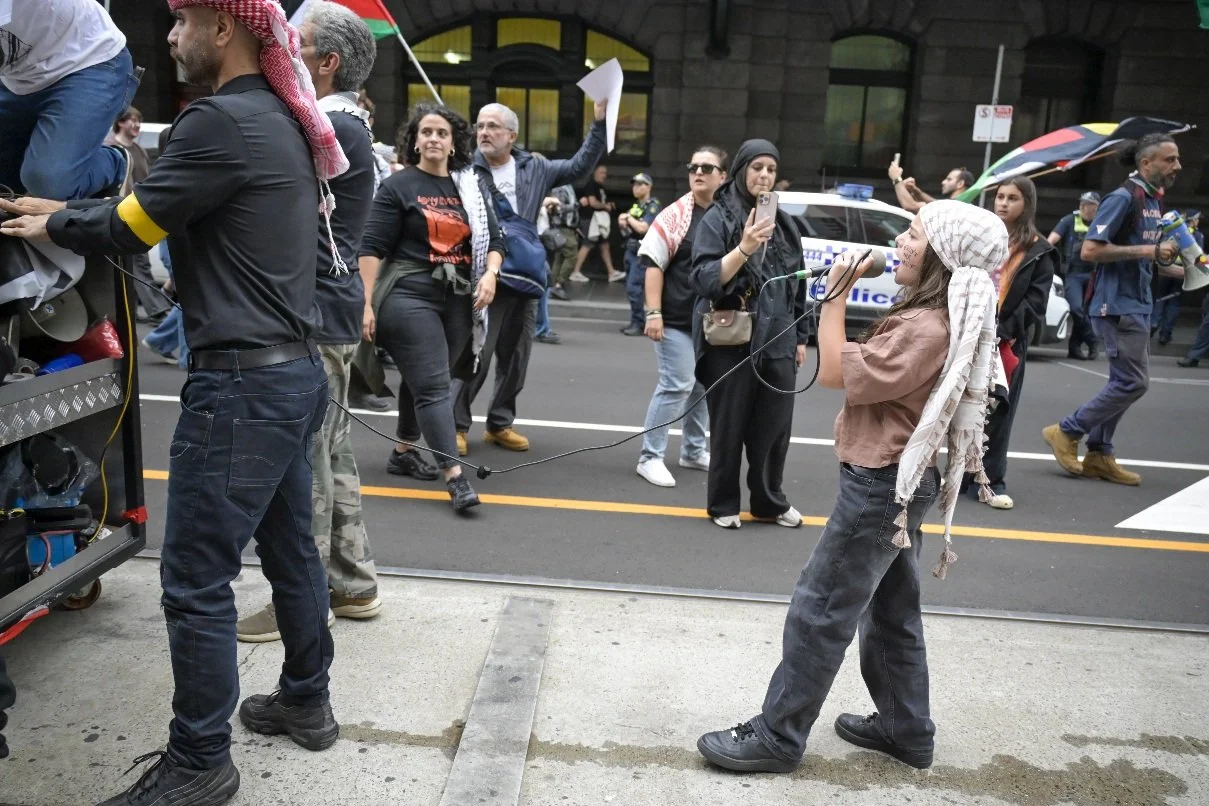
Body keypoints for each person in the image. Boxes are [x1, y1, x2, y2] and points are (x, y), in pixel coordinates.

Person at [3, 2, 351, 801]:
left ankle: (200, 761)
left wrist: (53, 214)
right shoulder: (278, 121)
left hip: (241, 385)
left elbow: (133, 224)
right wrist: (60, 216)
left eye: (181, 21)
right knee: (290, 547)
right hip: (291, 377)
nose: (168, 38)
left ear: (223, 30)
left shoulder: (218, 123)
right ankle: (307, 700)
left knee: (195, 582)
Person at [696, 200, 1007, 776]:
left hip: (880, 488)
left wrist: (835, 293)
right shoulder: (933, 314)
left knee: (819, 610)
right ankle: (905, 727)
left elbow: (839, 373)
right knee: (890, 612)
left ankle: (778, 735)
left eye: (912, 234)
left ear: (942, 256)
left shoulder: (927, 325)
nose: (901, 243)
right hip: (899, 484)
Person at [237, 0, 389, 643]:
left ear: (325, 64)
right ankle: (352, 585)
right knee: (331, 446)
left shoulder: (330, 127)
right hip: (332, 307)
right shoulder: (344, 125)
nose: (279, 50)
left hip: (316, 310)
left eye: (292, 44)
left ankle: (308, 596)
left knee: (306, 458)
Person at [357, 102, 503, 512]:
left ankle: (403, 451)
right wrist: (365, 303)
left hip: (459, 298)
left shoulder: (470, 188)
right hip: (408, 293)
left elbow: (495, 240)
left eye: (442, 132)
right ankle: (454, 477)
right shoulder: (398, 186)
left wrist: (490, 274)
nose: (434, 139)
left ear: (454, 142)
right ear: (415, 141)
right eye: (426, 132)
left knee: (426, 380)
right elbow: (371, 247)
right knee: (436, 385)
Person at [451, 99, 607, 456]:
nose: (484, 133)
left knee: (517, 356)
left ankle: (500, 423)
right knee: (477, 354)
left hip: (526, 274)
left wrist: (598, 124)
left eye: (493, 126)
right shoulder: (465, 169)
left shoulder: (535, 168)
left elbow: (580, 167)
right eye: (480, 125)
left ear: (512, 135)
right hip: (482, 274)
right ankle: (456, 425)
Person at [1043, 134, 1181, 486]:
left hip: (1137, 302)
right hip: (1116, 305)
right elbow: (1091, 251)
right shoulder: (1123, 198)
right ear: (1146, 163)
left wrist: (1189, 271)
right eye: (1170, 159)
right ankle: (1066, 431)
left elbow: (1149, 259)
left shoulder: (1152, 201)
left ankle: (1100, 454)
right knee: (1133, 382)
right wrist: (1149, 253)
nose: (1177, 166)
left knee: (1124, 381)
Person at [690, 139, 808, 530]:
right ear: (741, 170)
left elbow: (798, 286)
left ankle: (768, 502)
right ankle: (723, 503)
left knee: (774, 430)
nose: (764, 176)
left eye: (771, 170)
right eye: (757, 167)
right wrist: (743, 248)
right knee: (729, 427)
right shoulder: (718, 218)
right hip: (732, 341)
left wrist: (801, 337)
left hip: (778, 340)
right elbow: (705, 280)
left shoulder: (786, 224)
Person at [634, 147, 725, 488]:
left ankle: (693, 450)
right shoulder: (674, 215)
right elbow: (653, 265)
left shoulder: (726, 214)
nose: (698, 172)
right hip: (674, 317)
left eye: (706, 167)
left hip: (711, 322)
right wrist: (653, 313)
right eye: (693, 166)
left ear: (722, 176)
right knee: (678, 384)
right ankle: (650, 456)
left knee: (702, 386)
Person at [0, 0, 137, 201]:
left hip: (87, 60)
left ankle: (113, 163)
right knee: (9, 188)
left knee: (48, 183)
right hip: (18, 76)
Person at [974, 176, 1056, 510]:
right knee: (963, 408)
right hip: (970, 334)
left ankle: (991, 481)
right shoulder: (981, 237)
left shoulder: (1039, 250)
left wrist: (1003, 330)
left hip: (1006, 341)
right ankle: (962, 475)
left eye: (1013, 198)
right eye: (1000, 196)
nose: (1003, 203)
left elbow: (1035, 304)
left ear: (1027, 205)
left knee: (998, 410)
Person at [107, 106, 174, 323]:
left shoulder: (139, 150)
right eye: (131, 120)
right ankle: (156, 309)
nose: (136, 125)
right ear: (120, 123)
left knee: (137, 264)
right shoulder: (112, 150)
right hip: (123, 213)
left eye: (139, 120)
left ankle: (136, 313)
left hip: (143, 211)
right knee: (135, 264)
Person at [1048, 191, 1102, 359]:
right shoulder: (1069, 220)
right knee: (1076, 308)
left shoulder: (1101, 223)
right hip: (1074, 273)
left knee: (1087, 311)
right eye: (1082, 203)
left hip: (1094, 273)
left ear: (1096, 207)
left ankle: (1075, 347)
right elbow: (1051, 240)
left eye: (1088, 204)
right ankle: (1092, 339)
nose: (1083, 207)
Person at [619, 172, 661, 336]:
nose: (635, 187)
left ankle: (638, 322)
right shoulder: (637, 206)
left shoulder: (653, 205)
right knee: (630, 287)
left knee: (634, 287)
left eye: (640, 184)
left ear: (648, 186)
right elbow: (626, 224)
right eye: (634, 184)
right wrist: (626, 220)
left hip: (642, 251)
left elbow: (643, 228)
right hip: (631, 249)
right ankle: (636, 321)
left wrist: (627, 218)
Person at [570, 163, 619, 282]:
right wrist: (605, 206)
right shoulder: (591, 185)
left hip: (598, 220)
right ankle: (575, 272)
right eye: (602, 172)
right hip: (590, 219)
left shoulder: (600, 187)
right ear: (595, 173)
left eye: (605, 173)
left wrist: (607, 205)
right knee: (588, 243)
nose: (604, 175)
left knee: (604, 244)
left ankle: (611, 272)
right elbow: (592, 202)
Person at [889, 161, 974, 213]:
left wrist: (896, 178)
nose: (943, 182)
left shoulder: (955, 207)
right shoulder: (962, 204)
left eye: (949, 179)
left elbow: (910, 206)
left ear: (960, 184)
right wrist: (915, 190)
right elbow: (935, 203)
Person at [545, 183, 580, 300]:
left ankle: (552, 286)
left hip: (564, 228)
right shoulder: (560, 189)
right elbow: (557, 209)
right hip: (563, 228)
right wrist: (574, 206)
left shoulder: (566, 186)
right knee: (572, 255)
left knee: (559, 258)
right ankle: (558, 284)